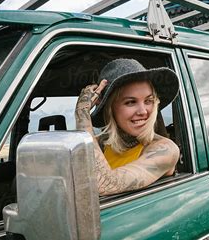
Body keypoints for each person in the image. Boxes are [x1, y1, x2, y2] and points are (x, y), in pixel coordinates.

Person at [75, 58, 180, 196]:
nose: (143, 111)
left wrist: (82, 113)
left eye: (148, 101)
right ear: (110, 109)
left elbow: (105, 184)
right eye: (131, 102)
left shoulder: (165, 149)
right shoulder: (101, 144)